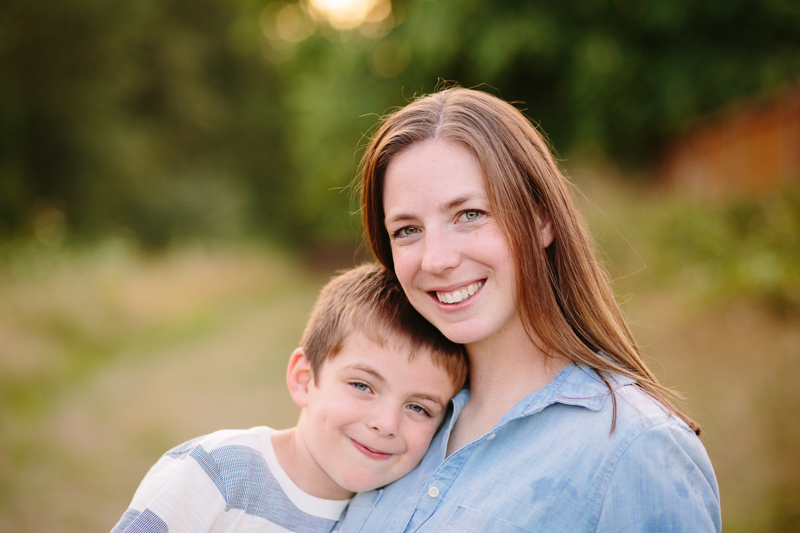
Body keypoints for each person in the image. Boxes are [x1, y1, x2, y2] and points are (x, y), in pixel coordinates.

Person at [340, 87, 721, 532]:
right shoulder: (390, 424)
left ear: (542, 219)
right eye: (407, 229)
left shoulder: (634, 449)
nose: (436, 259)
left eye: (469, 214)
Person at [111, 264, 468, 533]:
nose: (386, 423)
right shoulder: (222, 470)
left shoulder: (382, 513)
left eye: (418, 408)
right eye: (362, 386)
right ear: (303, 379)